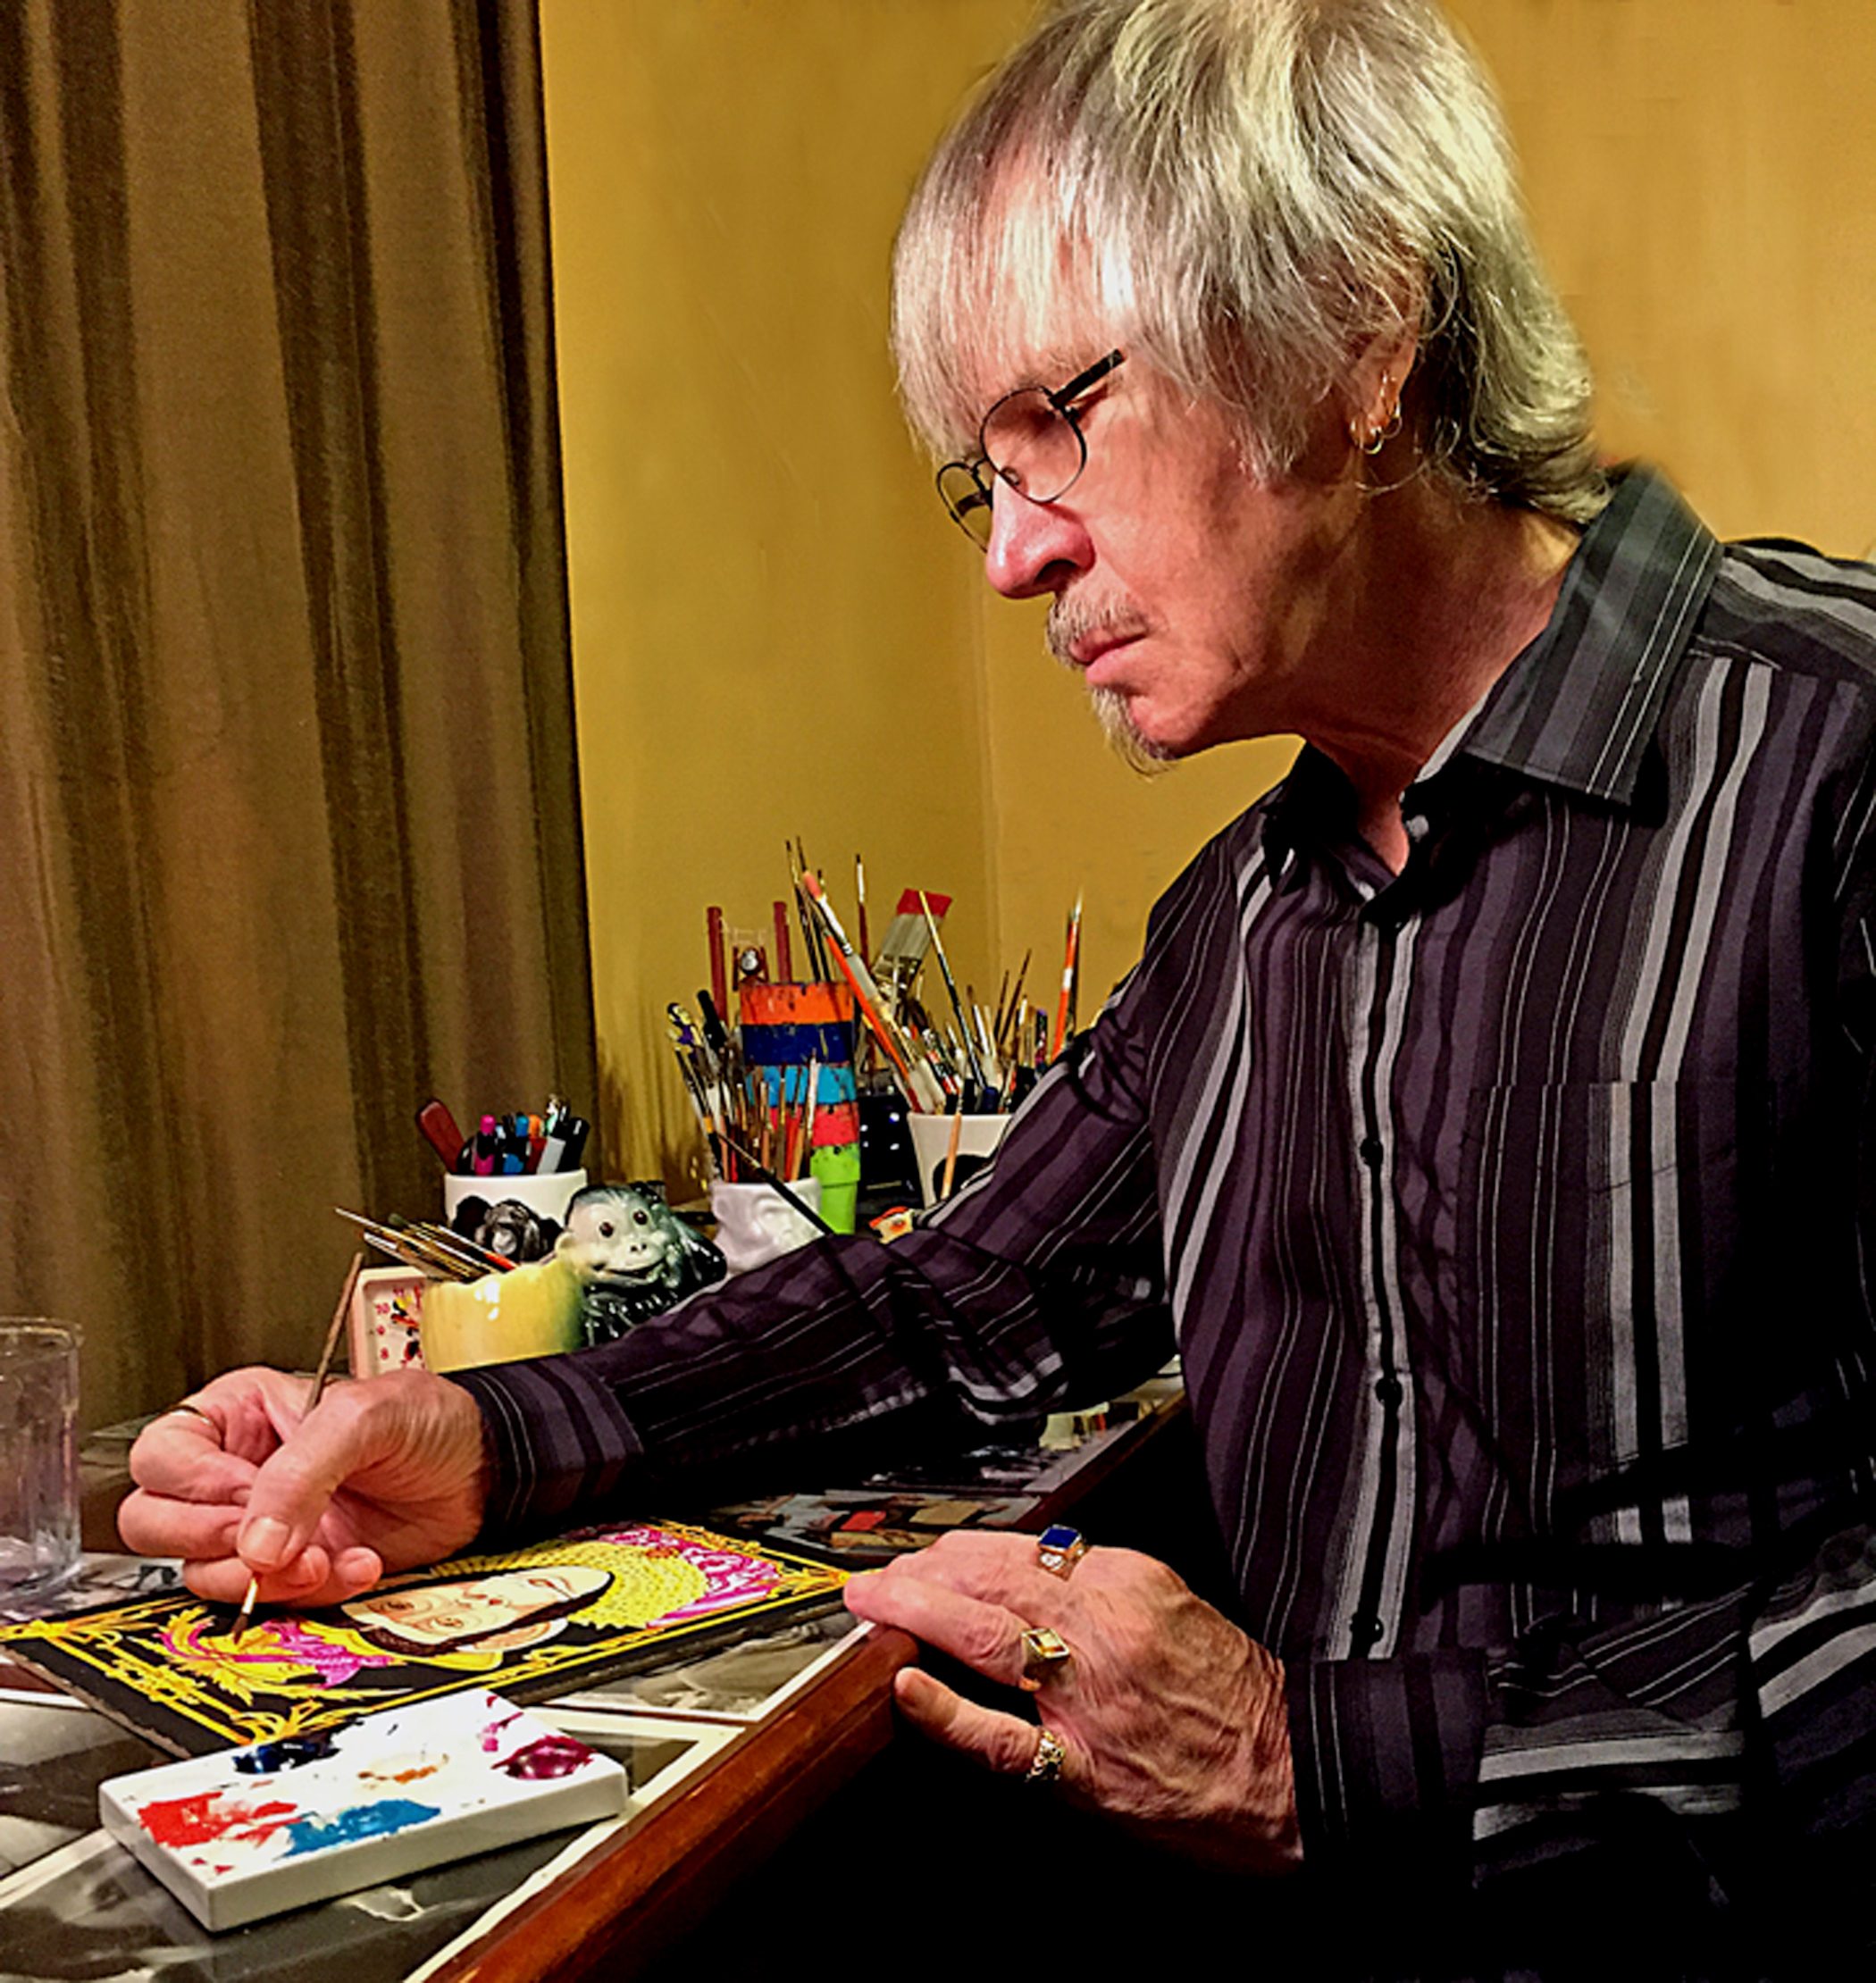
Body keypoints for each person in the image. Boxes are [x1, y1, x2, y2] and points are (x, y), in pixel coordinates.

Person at [121, 0, 1876, 1968]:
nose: (1011, 560)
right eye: (986, 474)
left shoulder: (1837, 758)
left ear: (1364, 339)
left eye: (1066, 423)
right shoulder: (1242, 918)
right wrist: (491, 1433)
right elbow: (960, 1300)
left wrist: (1332, 1766)